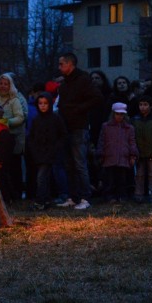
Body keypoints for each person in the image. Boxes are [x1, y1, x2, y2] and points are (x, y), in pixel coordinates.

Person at [56, 52, 103, 210]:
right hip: (67, 127)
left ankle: (85, 197)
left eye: (62, 64)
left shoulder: (83, 80)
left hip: (78, 126)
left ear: (70, 64)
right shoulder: (65, 84)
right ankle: (73, 197)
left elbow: (97, 98)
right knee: (69, 164)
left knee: (79, 163)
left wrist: (78, 109)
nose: (59, 67)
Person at [27, 92, 67, 210]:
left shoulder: (55, 119)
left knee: (42, 177)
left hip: (51, 153)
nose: (43, 106)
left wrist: (56, 147)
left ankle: (41, 201)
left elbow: (63, 135)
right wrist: (34, 149)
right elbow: (32, 136)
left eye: (45, 103)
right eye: (40, 103)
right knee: (43, 177)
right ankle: (45, 200)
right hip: (40, 153)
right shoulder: (36, 120)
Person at [96, 102, 138, 203]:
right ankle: (110, 196)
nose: (119, 116)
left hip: (123, 157)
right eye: (117, 114)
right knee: (110, 179)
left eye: (122, 114)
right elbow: (102, 140)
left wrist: (133, 155)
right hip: (109, 157)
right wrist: (100, 154)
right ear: (113, 114)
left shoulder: (129, 128)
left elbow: (132, 142)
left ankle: (122, 196)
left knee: (122, 180)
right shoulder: (106, 127)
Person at [131, 95, 152, 203]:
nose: (143, 107)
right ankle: (138, 194)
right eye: (141, 105)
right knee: (139, 174)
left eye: (145, 105)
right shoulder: (134, 120)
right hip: (139, 151)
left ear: (151, 106)